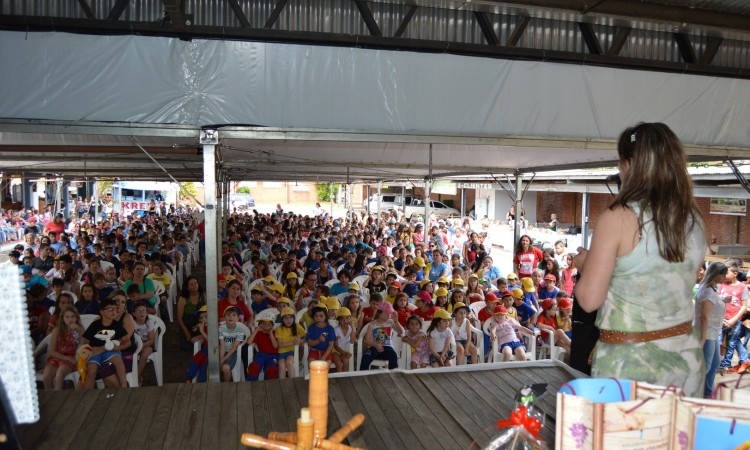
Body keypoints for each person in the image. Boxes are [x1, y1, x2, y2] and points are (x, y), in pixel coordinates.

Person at [573, 122, 707, 397]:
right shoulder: (693, 218)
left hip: (631, 364)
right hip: (685, 360)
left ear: (632, 164)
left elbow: (589, 299)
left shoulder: (618, 216)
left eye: (621, 163)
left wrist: (586, 264)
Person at [695, 262, 729, 397]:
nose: (725, 277)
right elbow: (703, 316)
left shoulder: (711, 288)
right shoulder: (708, 290)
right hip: (706, 333)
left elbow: (712, 307)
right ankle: (698, 393)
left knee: (714, 364)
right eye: (723, 274)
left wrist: (722, 300)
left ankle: (707, 391)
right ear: (716, 274)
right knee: (706, 366)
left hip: (713, 333)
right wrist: (702, 338)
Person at [81, 297, 129, 389]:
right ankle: (87, 395)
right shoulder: (95, 325)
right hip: (95, 352)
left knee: (118, 361)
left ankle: (124, 387)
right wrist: (90, 351)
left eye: (115, 308)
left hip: (111, 351)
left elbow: (128, 341)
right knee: (91, 370)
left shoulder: (117, 325)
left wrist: (117, 347)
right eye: (110, 309)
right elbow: (85, 342)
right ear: (102, 312)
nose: (113, 311)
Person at [718, 262, 749, 374]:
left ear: (735, 273)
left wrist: (734, 320)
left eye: (726, 272)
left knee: (731, 344)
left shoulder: (742, 287)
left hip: (734, 321)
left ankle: (726, 365)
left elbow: (744, 306)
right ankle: (715, 364)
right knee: (717, 342)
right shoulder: (720, 284)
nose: (723, 274)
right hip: (720, 319)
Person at [42, 305, 83, 390]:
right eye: (67, 317)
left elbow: (85, 342)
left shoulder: (79, 329)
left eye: (72, 316)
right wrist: (66, 358)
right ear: (63, 318)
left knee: (59, 375)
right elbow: (52, 351)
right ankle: (50, 398)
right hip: (56, 358)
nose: (70, 319)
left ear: (76, 318)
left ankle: (58, 398)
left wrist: (79, 329)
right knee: (46, 377)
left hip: (71, 360)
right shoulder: (57, 330)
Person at [359, 301, 404, 370]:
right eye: (386, 313)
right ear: (379, 313)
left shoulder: (391, 322)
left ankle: (394, 375)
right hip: (375, 347)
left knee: (393, 356)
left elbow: (401, 331)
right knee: (366, 356)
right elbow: (367, 340)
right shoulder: (372, 324)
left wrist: (396, 321)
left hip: (388, 348)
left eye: (390, 313)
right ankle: (363, 376)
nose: (389, 315)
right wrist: (375, 344)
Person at [219, 306, 250, 382]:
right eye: (228, 315)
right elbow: (222, 345)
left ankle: (226, 386)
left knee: (225, 368)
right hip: (221, 351)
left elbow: (234, 348)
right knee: (211, 365)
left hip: (233, 352)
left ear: (238, 318)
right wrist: (221, 359)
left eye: (233, 315)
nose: (230, 317)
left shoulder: (240, 330)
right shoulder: (221, 329)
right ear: (224, 317)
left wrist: (223, 360)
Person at [177, 276, 206, 350]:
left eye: (195, 283)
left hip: (201, 322)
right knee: (186, 346)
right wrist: (186, 332)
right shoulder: (183, 299)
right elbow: (180, 318)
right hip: (188, 324)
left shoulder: (203, 295)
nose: (194, 285)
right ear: (187, 288)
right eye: (191, 284)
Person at [274, 307, 305, 379]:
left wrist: (300, 341)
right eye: (286, 318)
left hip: (292, 351)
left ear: (293, 318)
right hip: (281, 352)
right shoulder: (279, 329)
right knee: (281, 365)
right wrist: (293, 342)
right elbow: (280, 345)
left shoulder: (297, 326)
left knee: (289, 362)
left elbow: (305, 336)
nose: (288, 320)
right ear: (282, 319)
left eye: (291, 317)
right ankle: (281, 384)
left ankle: (292, 381)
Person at [246, 316, 278, 381]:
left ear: (272, 326)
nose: (266, 326)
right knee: (253, 367)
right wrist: (256, 330)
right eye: (263, 324)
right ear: (260, 325)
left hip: (273, 355)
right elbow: (249, 342)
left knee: (272, 370)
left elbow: (275, 346)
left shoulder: (275, 332)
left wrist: (271, 334)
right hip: (261, 355)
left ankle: (268, 386)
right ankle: (251, 385)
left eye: (269, 324)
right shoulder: (258, 333)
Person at [132, 302, 156, 386]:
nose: (141, 313)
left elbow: (151, 340)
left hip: (147, 345)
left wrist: (141, 346)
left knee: (145, 354)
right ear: (134, 314)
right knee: (131, 354)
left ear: (146, 312)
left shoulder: (149, 323)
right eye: (138, 311)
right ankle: (134, 375)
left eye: (143, 311)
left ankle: (136, 375)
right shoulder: (132, 323)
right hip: (134, 345)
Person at [333, 307, 354, 372]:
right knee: (339, 364)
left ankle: (344, 379)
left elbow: (352, 341)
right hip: (335, 352)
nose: (345, 321)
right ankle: (339, 379)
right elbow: (335, 346)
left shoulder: (351, 329)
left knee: (346, 361)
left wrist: (353, 327)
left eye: (347, 318)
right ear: (339, 320)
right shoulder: (336, 329)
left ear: (350, 318)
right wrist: (344, 353)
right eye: (342, 319)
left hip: (345, 352)